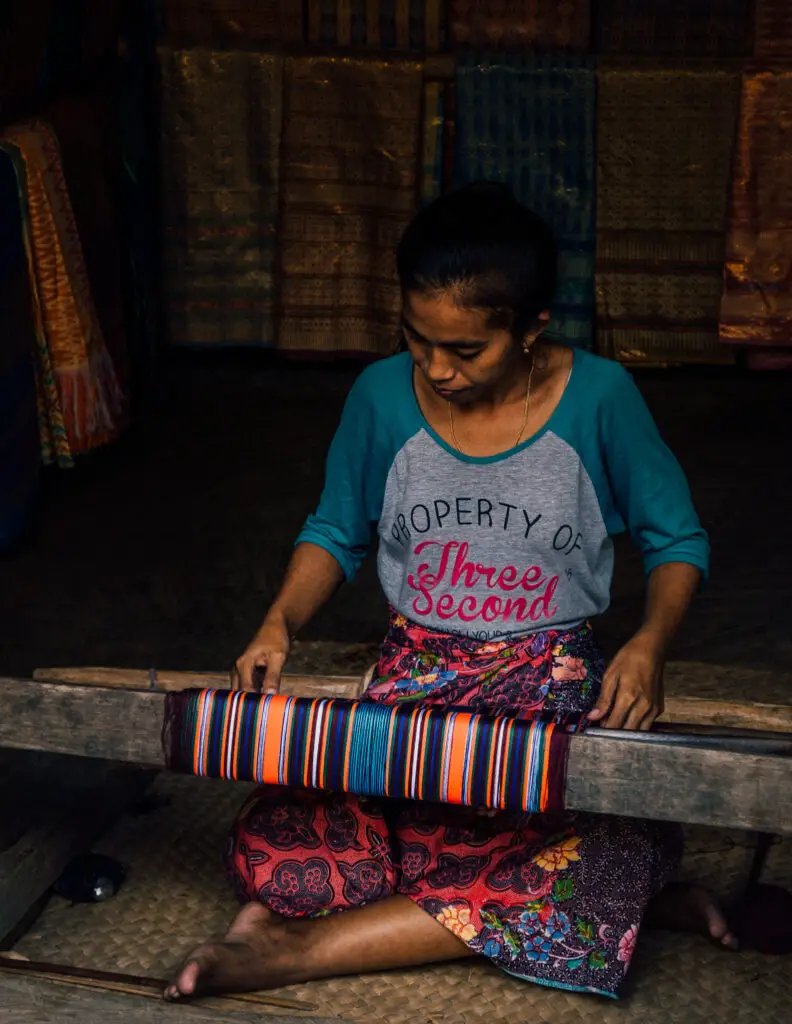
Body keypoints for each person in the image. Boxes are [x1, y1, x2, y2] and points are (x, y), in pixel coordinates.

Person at [166, 183, 736, 1003]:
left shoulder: (601, 398)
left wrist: (648, 646)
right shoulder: (380, 396)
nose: (436, 368)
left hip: (545, 693)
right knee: (284, 851)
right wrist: (276, 623)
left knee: (599, 852)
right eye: (416, 338)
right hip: (415, 690)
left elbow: (676, 540)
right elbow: (335, 529)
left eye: (466, 350)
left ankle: (289, 954)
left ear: (532, 328)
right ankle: (613, 911)